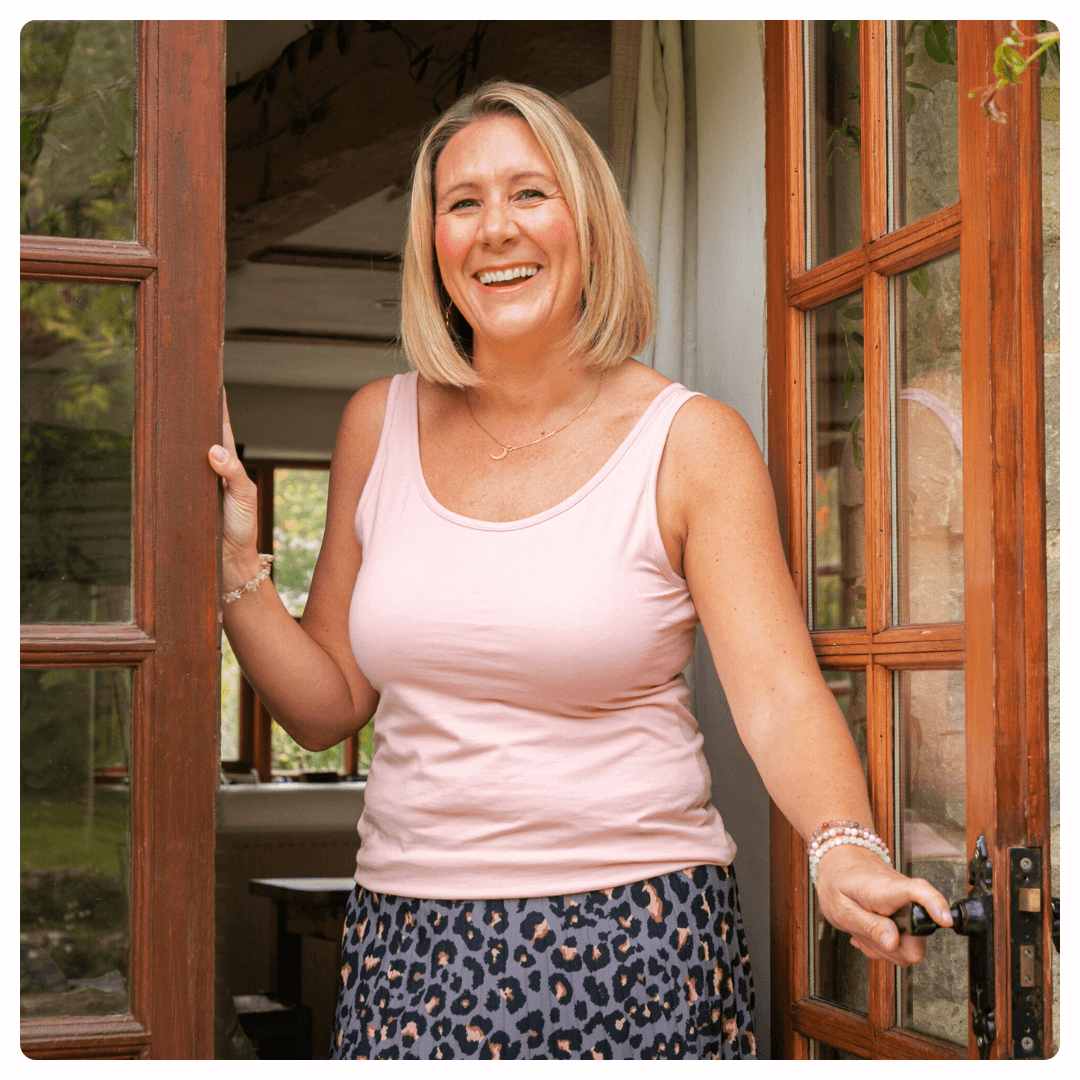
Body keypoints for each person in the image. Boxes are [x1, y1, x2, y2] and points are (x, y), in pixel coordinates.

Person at [209, 81, 953, 1061]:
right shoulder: (373, 423)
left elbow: (775, 691)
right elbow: (327, 705)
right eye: (461, 203)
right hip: (408, 938)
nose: (494, 230)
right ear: (432, 245)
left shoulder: (689, 441)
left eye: (530, 193)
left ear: (589, 226)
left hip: (636, 934)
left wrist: (840, 843)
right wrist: (236, 569)